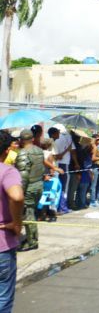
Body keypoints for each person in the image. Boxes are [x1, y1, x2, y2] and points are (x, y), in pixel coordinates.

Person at [0, 131, 24, 312]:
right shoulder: (7, 171)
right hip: (3, 245)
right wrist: (16, 224)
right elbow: (16, 196)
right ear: (7, 151)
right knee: (3, 299)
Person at [15, 129, 45, 251]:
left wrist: (20, 191)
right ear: (32, 139)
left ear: (21, 140)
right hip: (38, 185)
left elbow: (23, 176)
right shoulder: (39, 151)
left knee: (28, 214)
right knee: (31, 213)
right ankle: (32, 237)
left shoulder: (23, 153)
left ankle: (31, 241)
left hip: (29, 187)